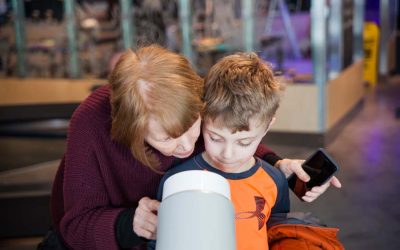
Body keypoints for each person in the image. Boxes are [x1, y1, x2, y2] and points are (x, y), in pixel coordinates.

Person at [49, 45, 339, 250]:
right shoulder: (90, 124)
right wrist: (128, 225)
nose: (187, 147)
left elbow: (228, 133)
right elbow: (75, 227)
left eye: (195, 128)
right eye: (166, 139)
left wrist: (277, 163)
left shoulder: (192, 96)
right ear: (130, 131)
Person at [151, 52, 289, 249]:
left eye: (244, 142)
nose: (227, 154)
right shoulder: (179, 179)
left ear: (267, 127)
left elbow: (277, 235)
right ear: (202, 118)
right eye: (215, 138)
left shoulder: (275, 180)